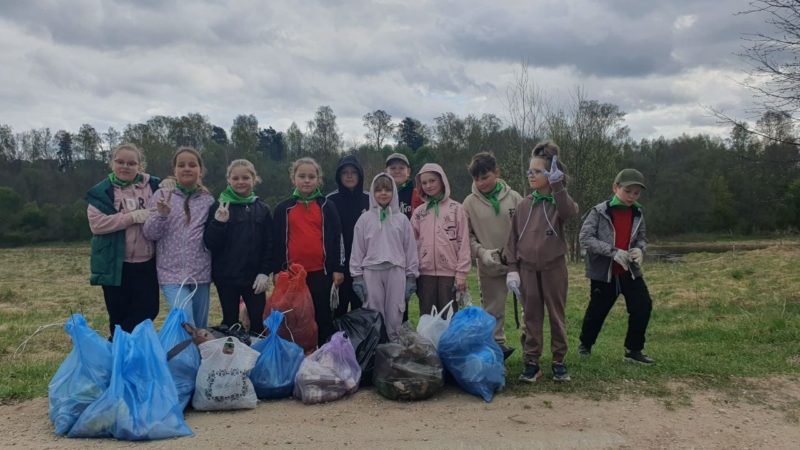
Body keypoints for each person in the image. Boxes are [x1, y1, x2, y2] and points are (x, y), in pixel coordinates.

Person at [505, 142, 579, 383]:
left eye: (537, 171)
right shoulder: (524, 205)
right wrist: (513, 269)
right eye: (529, 171)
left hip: (553, 268)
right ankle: (531, 362)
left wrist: (558, 186)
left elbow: (569, 212)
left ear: (551, 174)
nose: (531, 175)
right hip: (527, 270)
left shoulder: (559, 202)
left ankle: (559, 361)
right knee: (531, 316)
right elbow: (512, 240)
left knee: (556, 315)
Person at [577, 168, 655, 365]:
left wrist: (640, 250)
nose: (631, 196)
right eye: (627, 191)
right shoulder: (599, 211)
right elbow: (585, 238)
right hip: (604, 272)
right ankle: (585, 345)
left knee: (643, 305)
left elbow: (642, 238)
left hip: (630, 270)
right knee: (597, 310)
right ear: (615, 188)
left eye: (636, 193)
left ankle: (633, 350)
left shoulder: (638, 213)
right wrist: (613, 252)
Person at [86, 143, 160, 337]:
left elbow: (171, 197)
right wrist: (131, 217)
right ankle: (119, 347)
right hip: (115, 263)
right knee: (118, 314)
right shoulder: (102, 191)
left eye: (131, 163)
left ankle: (121, 342)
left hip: (146, 262)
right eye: (120, 162)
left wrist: (170, 183)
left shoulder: (153, 185)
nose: (125, 167)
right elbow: (97, 224)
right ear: (112, 163)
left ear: (139, 166)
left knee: (149, 310)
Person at [272, 157, 344, 346]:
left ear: (318, 180)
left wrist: (338, 268)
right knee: (294, 318)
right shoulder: (283, 208)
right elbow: (276, 242)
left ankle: (325, 354)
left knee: (322, 316)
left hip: (321, 272)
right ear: (293, 178)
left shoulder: (327, 206)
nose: (306, 180)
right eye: (302, 176)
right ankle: (298, 354)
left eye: (311, 177)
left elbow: (337, 239)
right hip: (293, 275)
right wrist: (277, 270)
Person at [143, 147, 215, 329]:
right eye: (181, 165)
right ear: (174, 170)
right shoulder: (162, 195)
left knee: (200, 327)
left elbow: (213, 235)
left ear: (200, 170)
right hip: (171, 273)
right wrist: (161, 215)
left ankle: (199, 350)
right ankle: (184, 349)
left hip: (200, 273)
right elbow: (149, 233)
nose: (187, 168)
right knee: (185, 320)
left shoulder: (208, 200)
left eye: (192, 165)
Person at [203, 159, 273, 335]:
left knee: (257, 322)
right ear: (229, 180)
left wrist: (265, 272)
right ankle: (232, 352)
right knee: (230, 323)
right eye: (235, 178)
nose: (240, 182)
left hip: (254, 278)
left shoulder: (263, 209)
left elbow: (270, 244)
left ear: (253, 179)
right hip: (226, 277)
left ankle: (256, 351)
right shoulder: (218, 206)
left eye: (245, 178)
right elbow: (210, 243)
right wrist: (218, 224)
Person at [463, 152, 523, 357]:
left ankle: (530, 347)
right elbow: (466, 236)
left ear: (497, 172)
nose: (481, 183)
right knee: (492, 310)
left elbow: (525, 229)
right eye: (476, 179)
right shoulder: (469, 203)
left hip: (518, 264)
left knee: (529, 306)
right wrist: (482, 253)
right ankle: (496, 348)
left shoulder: (515, 198)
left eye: (485, 177)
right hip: (489, 265)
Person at [350, 173, 419, 339]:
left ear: (393, 192)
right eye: (378, 190)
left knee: (395, 311)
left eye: (387, 190)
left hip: (396, 270)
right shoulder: (364, 219)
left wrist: (411, 276)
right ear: (373, 193)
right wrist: (357, 276)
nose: (383, 193)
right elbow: (357, 249)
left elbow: (410, 249)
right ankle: (376, 347)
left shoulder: (402, 219)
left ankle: (393, 347)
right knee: (373, 311)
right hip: (371, 272)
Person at [411, 163, 471, 317]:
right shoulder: (419, 213)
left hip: (449, 274)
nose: (428, 185)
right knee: (427, 316)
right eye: (424, 183)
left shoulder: (456, 209)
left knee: (449, 317)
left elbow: (464, 242)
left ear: (442, 181)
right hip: (425, 274)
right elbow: (411, 244)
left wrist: (461, 273)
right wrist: (413, 271)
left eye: (432, 181)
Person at [326, 155, 369, 318]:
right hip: (339, 268)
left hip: (364, 267)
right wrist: (336, 267)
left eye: (353, 172)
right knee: (338, 312)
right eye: (345, 172)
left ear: (360, 175)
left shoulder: (370, 199)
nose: (349, 176)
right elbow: (328, 237)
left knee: (362, 312)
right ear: (339, 176)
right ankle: (338, 336)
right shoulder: (330, 201)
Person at [385, 152, 422, 219]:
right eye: (393, 168)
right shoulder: (378, 195)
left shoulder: (419, 195)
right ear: (386, 172)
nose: (397, 171)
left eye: (401, 168)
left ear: (408, 172)